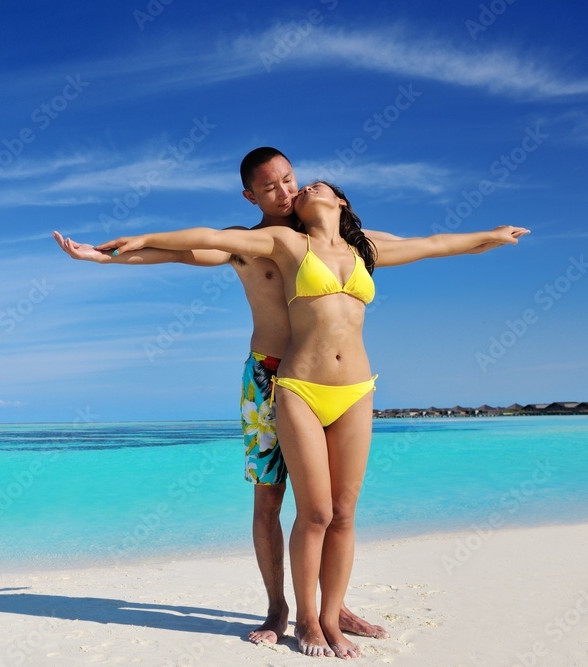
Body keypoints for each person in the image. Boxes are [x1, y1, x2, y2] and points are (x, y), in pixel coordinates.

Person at [94, 181, 528, 658]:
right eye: (293, 189)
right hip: (298, 386)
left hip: (357, 390)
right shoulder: (286, 242)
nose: (300, 189)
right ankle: (303, 617)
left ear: (341, 201)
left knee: (344, 513)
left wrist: (492, 235)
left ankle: (331, 616)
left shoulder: (366, 247)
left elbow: (434, 244)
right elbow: (208, 239)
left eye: (312, 184)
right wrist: (139, 239)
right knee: (315, 512)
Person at [55, 147, 399, 646]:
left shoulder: (327, 238)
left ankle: (333, 607)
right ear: (250, 195)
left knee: (327, 506)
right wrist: (104, 256)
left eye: (288, 180)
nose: (284, 192)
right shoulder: (247, 243)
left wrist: (485, 240)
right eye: (269, 187)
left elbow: (409, 246)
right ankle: (278, 609)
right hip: (267, 376)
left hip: (327, 380)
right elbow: (183, 251)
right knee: (270, 499)